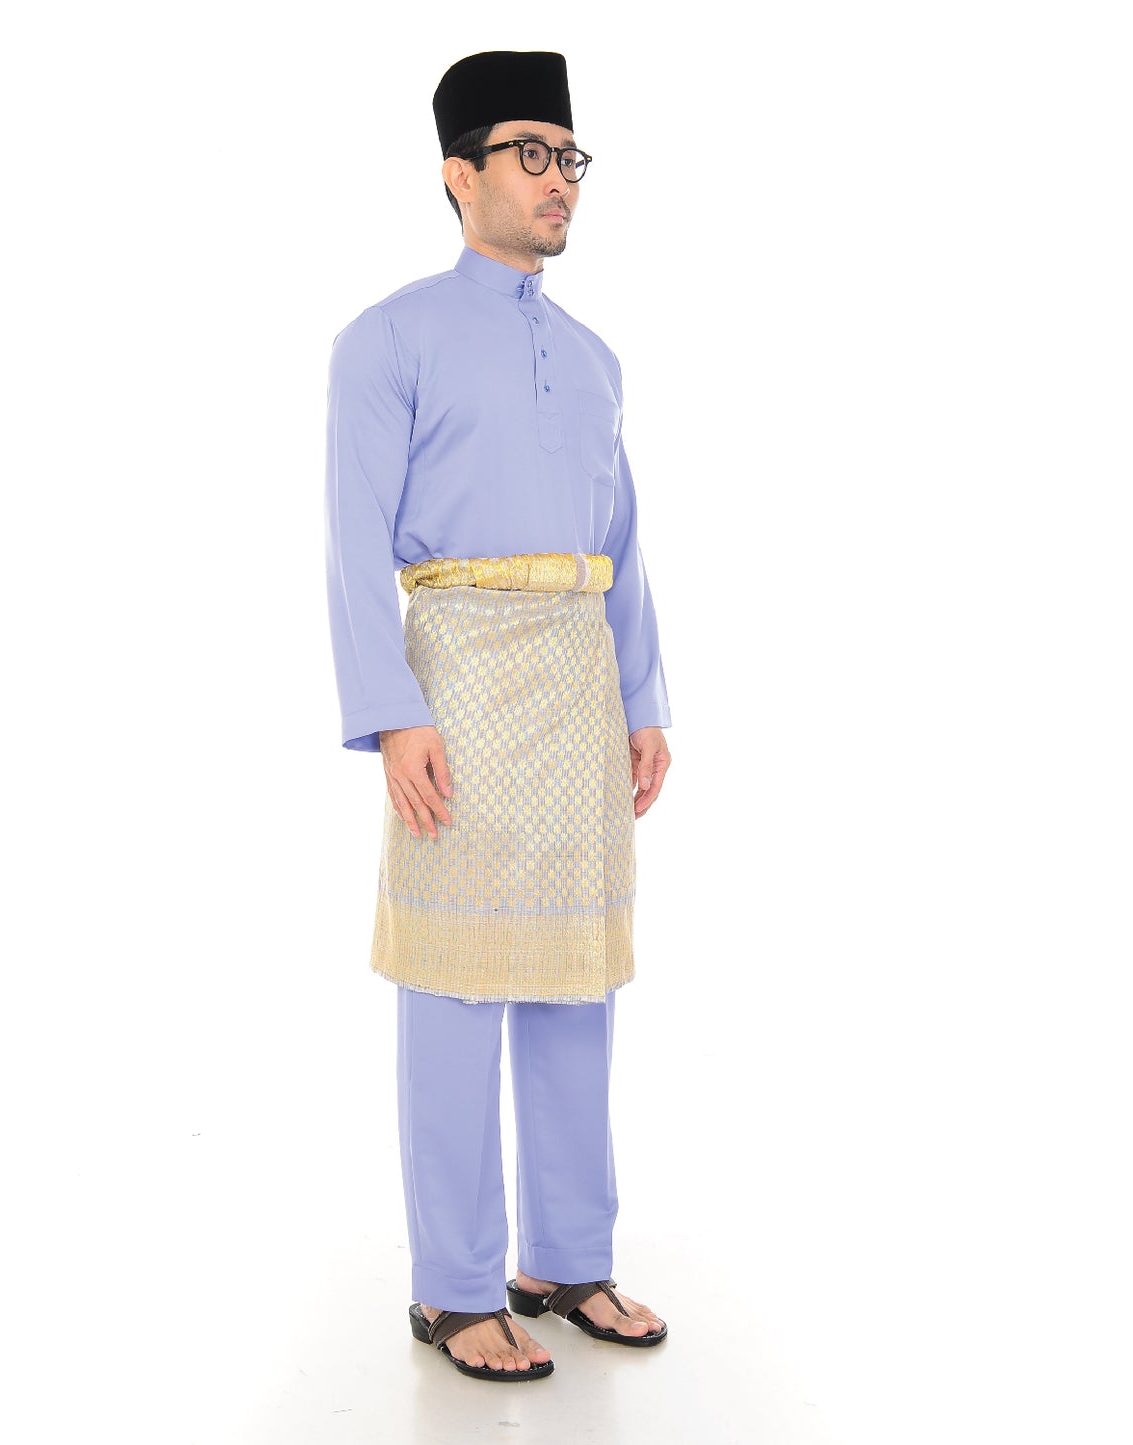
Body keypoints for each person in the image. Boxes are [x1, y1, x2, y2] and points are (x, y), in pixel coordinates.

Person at [323, 49, 674, 1382]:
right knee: (458, 980)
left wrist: (644, 697)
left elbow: (622, 543)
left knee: (578, 974)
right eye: (528, 153)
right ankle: (456, 1287)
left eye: (567, 155)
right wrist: (389, 709)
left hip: (580, 677)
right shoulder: (387, 338)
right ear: (457, 173)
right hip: (457, 675)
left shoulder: (592, 358)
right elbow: (350, 537)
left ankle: (565, 1257)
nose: (557, 179)